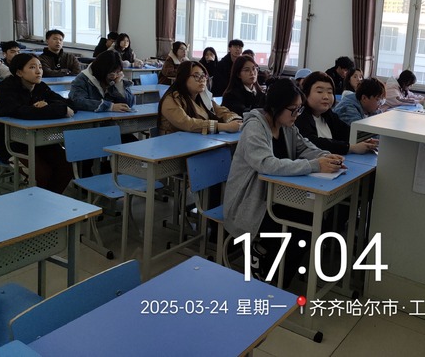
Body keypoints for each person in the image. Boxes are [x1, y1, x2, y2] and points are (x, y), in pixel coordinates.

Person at [223, 78, 346, 285]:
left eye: (299, 109)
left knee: (314, 221)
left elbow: (305, 147)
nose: (297, 114)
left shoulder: (287, 125)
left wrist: (327, 157)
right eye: (293, 109)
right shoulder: (255, 126)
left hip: (277, 197)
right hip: (250, 203)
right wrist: (315, 165)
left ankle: (270, 266)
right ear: (275, 107)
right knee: (301, 230)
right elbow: (266, 164)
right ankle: (271, 279)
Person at [0, 53, 75, 193]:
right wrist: (52, 110)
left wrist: (48, 106)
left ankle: (48, 200)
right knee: (41, 174)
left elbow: (69, 104)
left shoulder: (40, 87)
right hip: (11, 145)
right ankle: (36, 202)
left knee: (67, 165)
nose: (39, 71)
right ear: (19, 72)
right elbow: (20, 112)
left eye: (40, 67)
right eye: (32, 67)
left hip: (40, 142)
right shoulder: (5, 89)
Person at [296, 71, 378, 155]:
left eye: (329, 92)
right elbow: (313, 142)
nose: (326, 97)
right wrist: (350, 147)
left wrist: (361, 140)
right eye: (320, 92)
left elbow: (345, 131)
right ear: (305, 93)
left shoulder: (328, 115)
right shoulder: (299, 116)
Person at [157, 61, 242, 136]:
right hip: (172, 144)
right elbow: (188, 124)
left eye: (203, 76)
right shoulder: (171, 99)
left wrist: (236, 120)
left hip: (195, 140)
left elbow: (220, 111)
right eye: (196, 76)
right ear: (183, 78)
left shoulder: (201, 96)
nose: (202, 80)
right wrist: (225, 127)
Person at [69, 50, 135, 113]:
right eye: (111, 73)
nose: (114, 76)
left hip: (110, 117)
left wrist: (119, 84)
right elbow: (77, 101)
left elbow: (129, 104)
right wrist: (110, 107)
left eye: (117, 72)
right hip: (88, 118)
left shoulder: (116, 78)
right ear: (102, 70)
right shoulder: (82, 79)